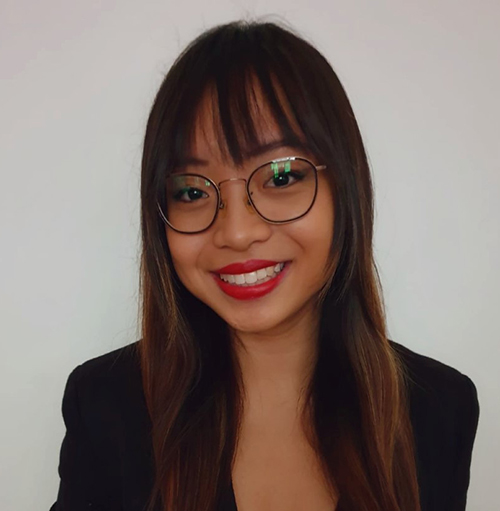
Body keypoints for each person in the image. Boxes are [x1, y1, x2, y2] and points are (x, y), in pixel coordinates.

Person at [50, 20, 480, 511]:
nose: (236, 232)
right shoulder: (104, 406)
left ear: (346, 189)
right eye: (191, 191)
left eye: (280, 177)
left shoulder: (439, 409)